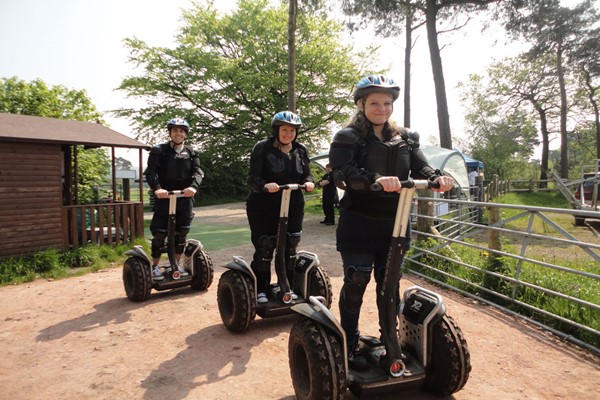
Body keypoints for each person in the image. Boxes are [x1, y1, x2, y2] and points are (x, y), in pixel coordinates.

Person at [328, 75, 454, 370]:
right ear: (362, 104)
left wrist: (436, 177)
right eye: (374, 103)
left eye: (387, 103)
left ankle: (390, 343)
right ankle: (350, 343)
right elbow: (342, 173)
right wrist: (374, 179)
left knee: (390, 285)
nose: (381, 108)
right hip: (359, 222)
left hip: (395, 223)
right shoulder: (348, 137)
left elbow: (420, 165)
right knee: (356, 281)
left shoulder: (406, 138)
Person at [246, 111, 315, 304]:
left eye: (292, 130)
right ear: (277, 130)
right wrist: (264, 185)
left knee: (290, 245)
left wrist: (309, 182)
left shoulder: (300, 150)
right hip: (263, 203)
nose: (288, 134)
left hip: (293, 202)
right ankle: (261, 289)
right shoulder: (263, 148)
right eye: (284, 129)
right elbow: (252, 177)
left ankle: (287, 286)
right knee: (266, 245)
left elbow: (307, 175)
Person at [144, 117, 204, 281]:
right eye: (175, 130)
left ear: (185, 134)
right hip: (164, 196)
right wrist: (158, 189)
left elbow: (198, 172)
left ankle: (175, 265)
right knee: (159, 233)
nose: (178, 133)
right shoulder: (160, 150)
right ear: (170, 132)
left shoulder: (191, 152)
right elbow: (150, 172)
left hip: (184, 196)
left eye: (181, 130)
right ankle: (155, 266)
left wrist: (193, 187)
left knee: (182, 232)